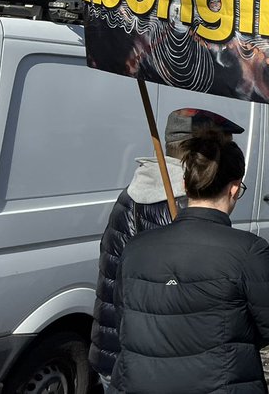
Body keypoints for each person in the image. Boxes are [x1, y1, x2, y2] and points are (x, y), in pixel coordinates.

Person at [110, 133, 269, 393]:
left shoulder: (135, 248)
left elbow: (125, 322)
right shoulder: (248, 251)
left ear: (185, 184)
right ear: (235, 189)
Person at [89, 108, 243, 387]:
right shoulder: (186, 207)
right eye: (223, 148)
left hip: (116, 352)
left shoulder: (133, 193)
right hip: (153, 365)